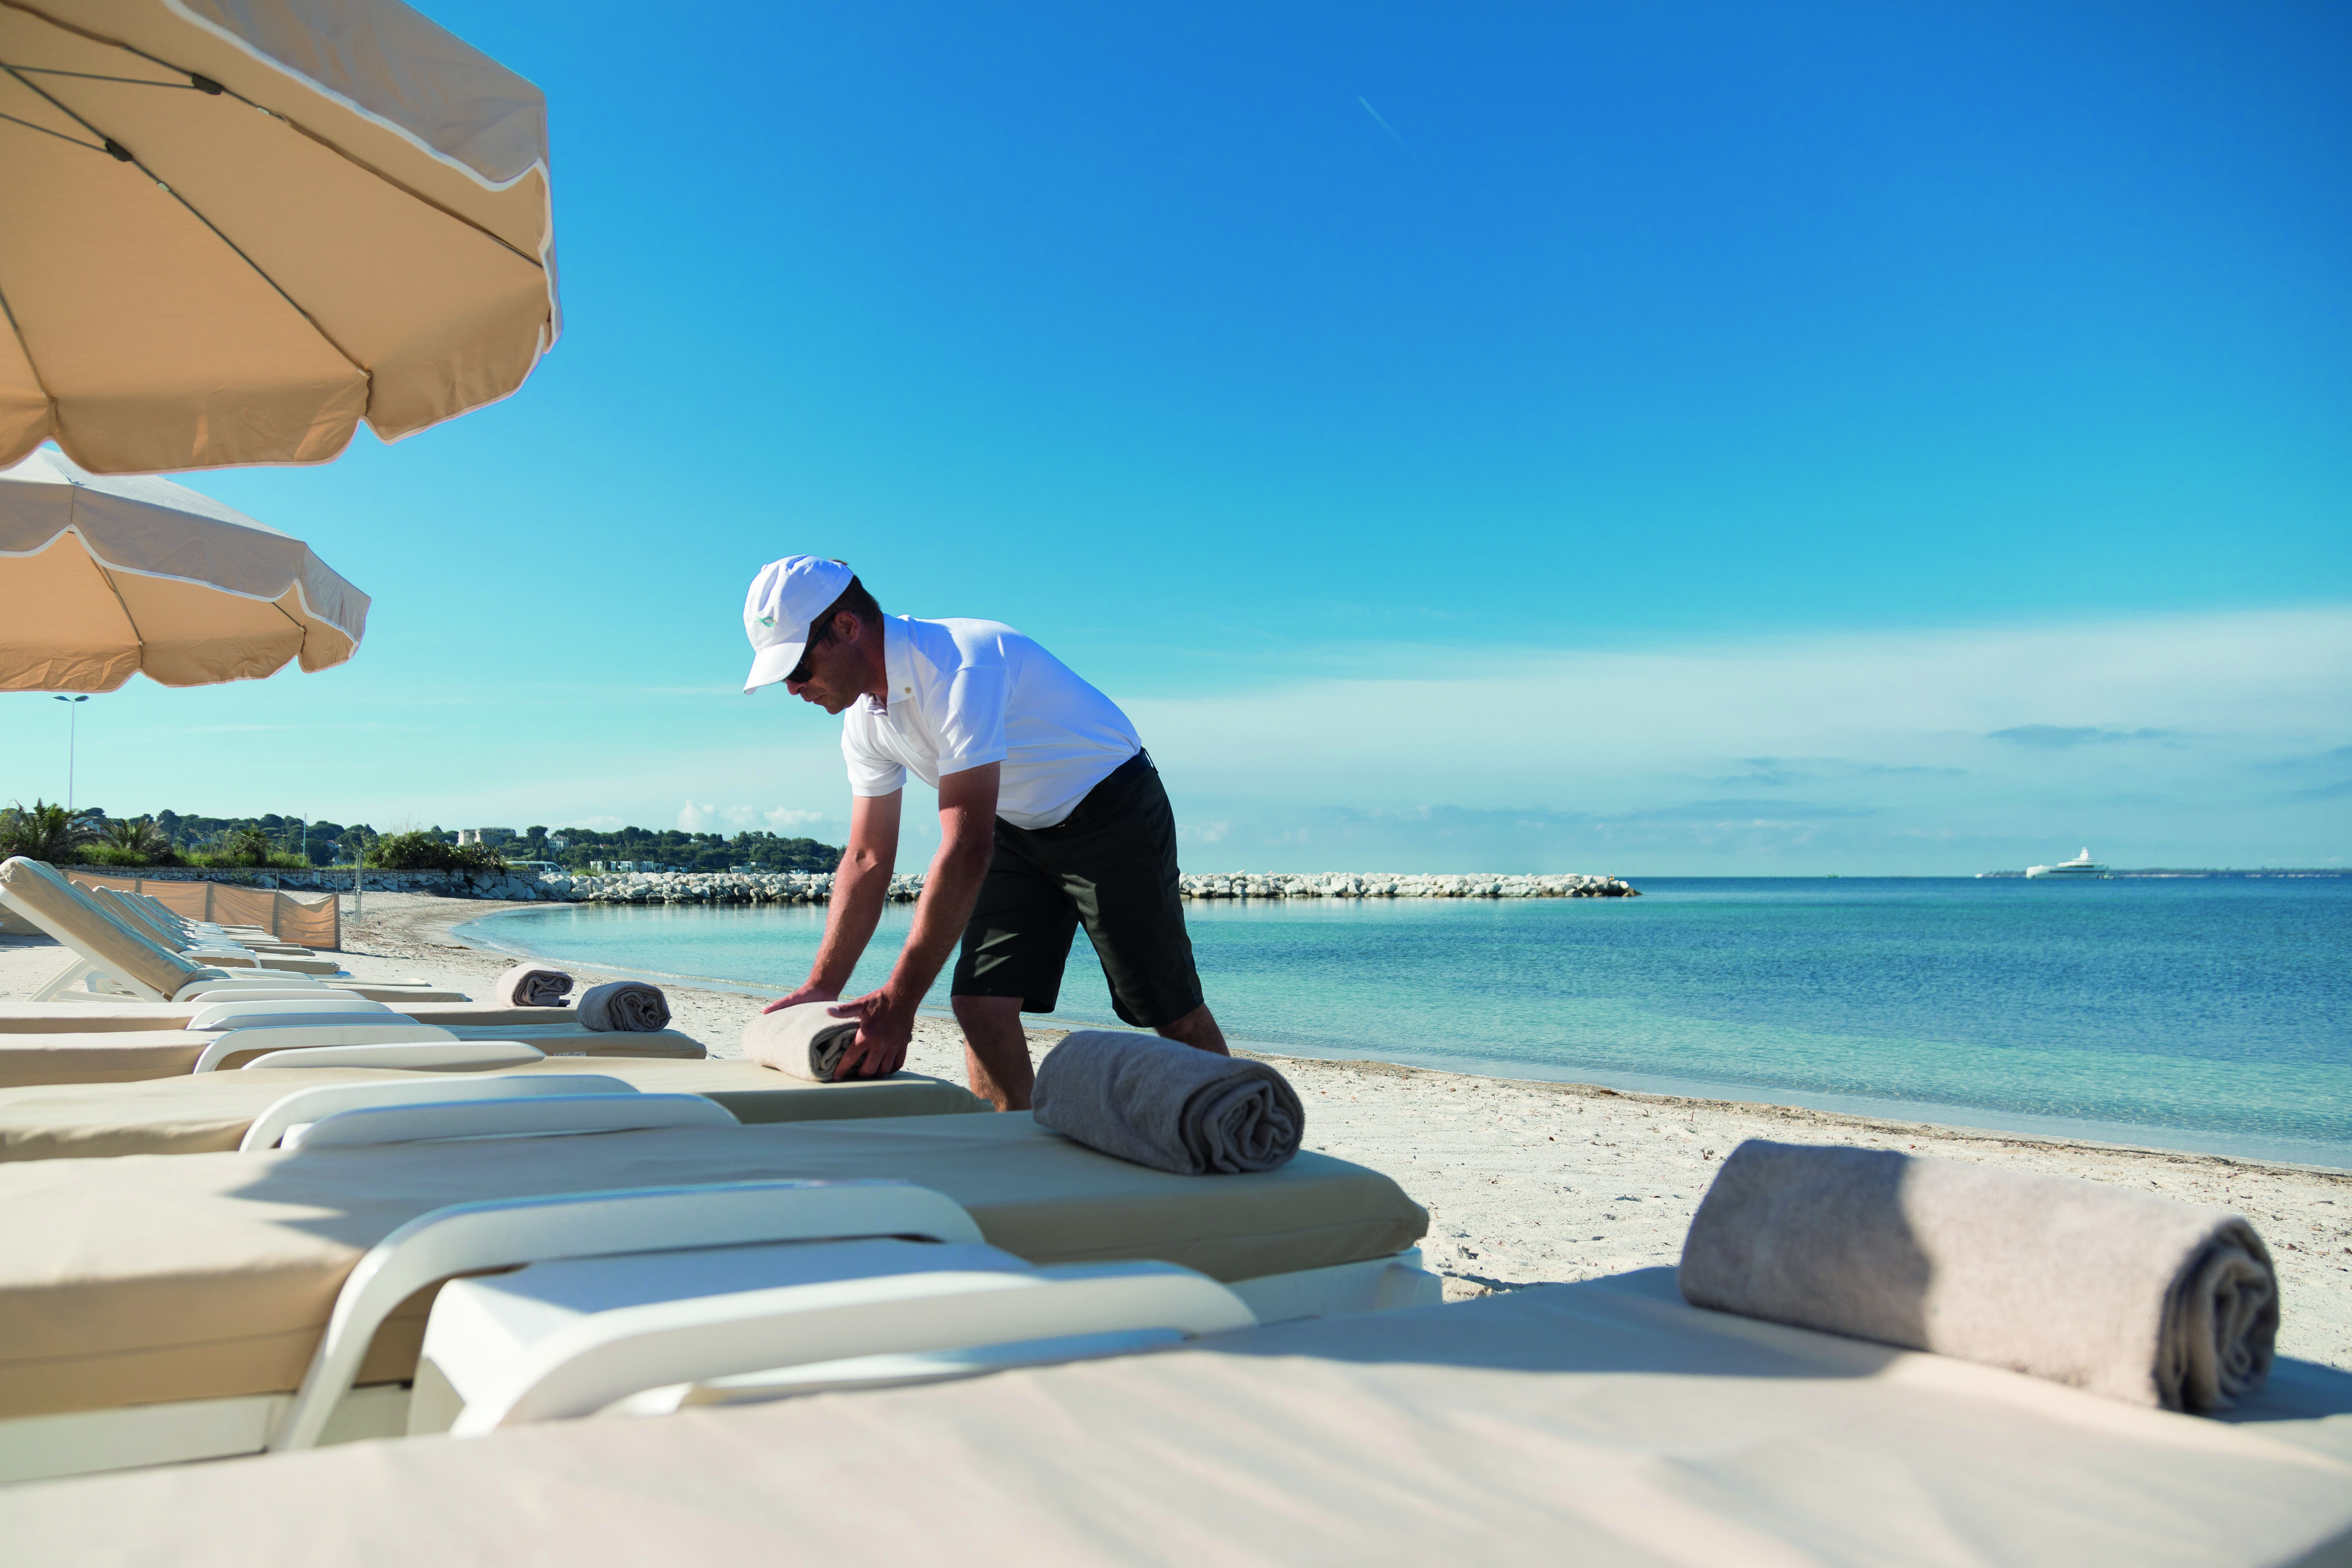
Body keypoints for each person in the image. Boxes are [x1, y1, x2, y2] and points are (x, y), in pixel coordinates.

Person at [743, 555, 1226, 1108]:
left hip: (1110, 811)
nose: (793, 688)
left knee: (1170, 1012)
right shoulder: (865, 721)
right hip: (1016, 824)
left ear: (847, 627)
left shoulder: (959, 667)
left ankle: (1243, 1129)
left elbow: (966, 849)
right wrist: (822, 986)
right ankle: (1014, 1146)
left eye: (796, 668)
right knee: (980, 1004)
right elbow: (868, 857)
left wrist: (900, 1001)